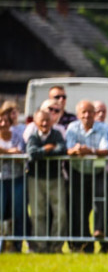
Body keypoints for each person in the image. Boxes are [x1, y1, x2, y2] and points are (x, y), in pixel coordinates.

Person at [65, 100, 108, 252]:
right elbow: (67, 149)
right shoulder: (72, 128)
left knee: (102, 201)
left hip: (98, 172)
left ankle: (100, 232)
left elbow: (106, 149)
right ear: (78, 114)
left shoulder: (103, 128)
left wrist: (89, 150)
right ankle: (85, 244)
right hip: (78, 172)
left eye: (90, 112)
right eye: (83, 112)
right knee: (80, 208)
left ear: (95, 114)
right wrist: (76, 150)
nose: (87, 115)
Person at [25, 106, 67, 253]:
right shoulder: (33, 137)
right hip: (36, 179)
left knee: (60, 213)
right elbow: (32, 154)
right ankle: (40, 246)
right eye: (41, 121)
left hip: (55, 178)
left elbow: (62, 149)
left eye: (47, 121)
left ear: (51, 122)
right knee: (38, 214)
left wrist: (44, 152)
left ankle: (56, 247)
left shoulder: (56, 134)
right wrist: (47, 149)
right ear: (36, 123)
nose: (44, 124)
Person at [0, 101, 27, 251]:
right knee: (1, 211)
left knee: (18, 212)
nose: (3, 123)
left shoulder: (17, 135)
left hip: (17, 178)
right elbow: (14, 153)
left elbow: (21, 155)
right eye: (0, 121)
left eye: (6, 121)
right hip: (1, 180)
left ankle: (16, 245)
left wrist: (3, 152)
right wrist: (10, 152)